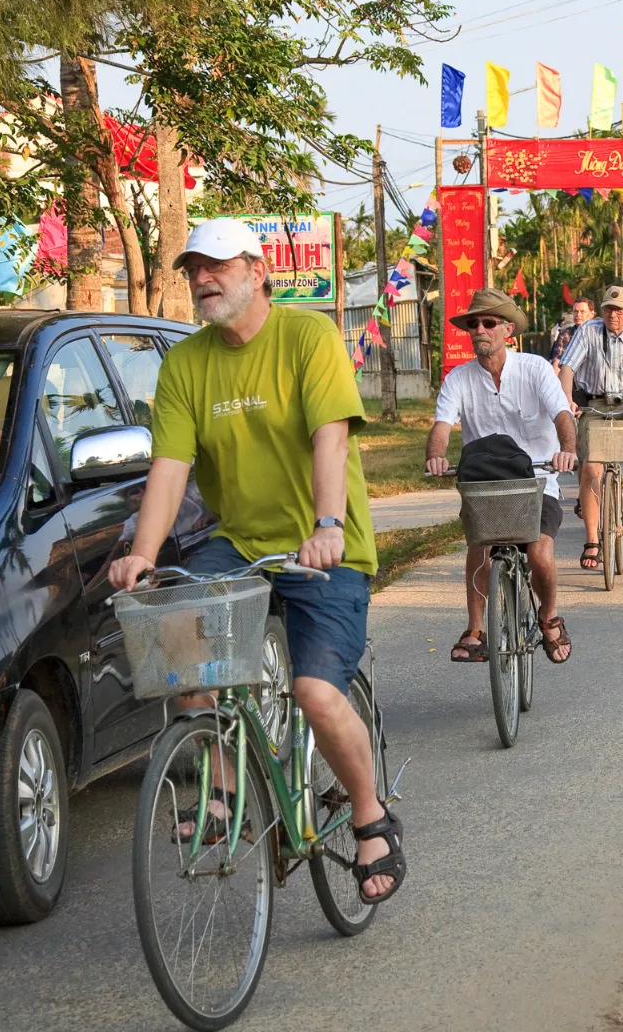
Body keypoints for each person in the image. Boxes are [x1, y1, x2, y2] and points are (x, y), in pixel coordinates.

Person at [107, 217, 403, 905]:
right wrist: (143, 554)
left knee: (315, 692)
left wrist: (329, 525)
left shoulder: (309, 337)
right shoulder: (185, 363)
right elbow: (170, 468)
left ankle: (371, 816)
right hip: (240, 543)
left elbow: (331, 440)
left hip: (323, 546)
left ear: (257, 268)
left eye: (216, 266)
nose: (202, 279)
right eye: (193, 269)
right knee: (183, 637)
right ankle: (223, 782)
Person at [425, 288, 579, 665]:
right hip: (486, 486)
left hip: (538, 480)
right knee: (478, 547)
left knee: (540, 550)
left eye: (489, 322)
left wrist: (568, 450)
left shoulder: (536, 368)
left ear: (507, 330)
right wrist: (436, 456)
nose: (480, 329)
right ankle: (476, 629)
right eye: (473, 323)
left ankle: (548, 615)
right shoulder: (458, 378)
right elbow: (443, 424)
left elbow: (562, 414)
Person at [557, 284, 623, 571]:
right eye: (608, 309)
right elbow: (567, 368)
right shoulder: (588, 331)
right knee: (590, 469)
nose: (612, 314)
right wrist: (566, 399)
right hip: (595, 404)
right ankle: (592, 539)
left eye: (618, 309)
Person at [551, 298, 594, 371]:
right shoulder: (565, 334)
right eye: (576, 311)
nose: (578, 315)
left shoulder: (600, 333)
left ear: (592, 314)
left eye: (582, 311)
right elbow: (557, 362)